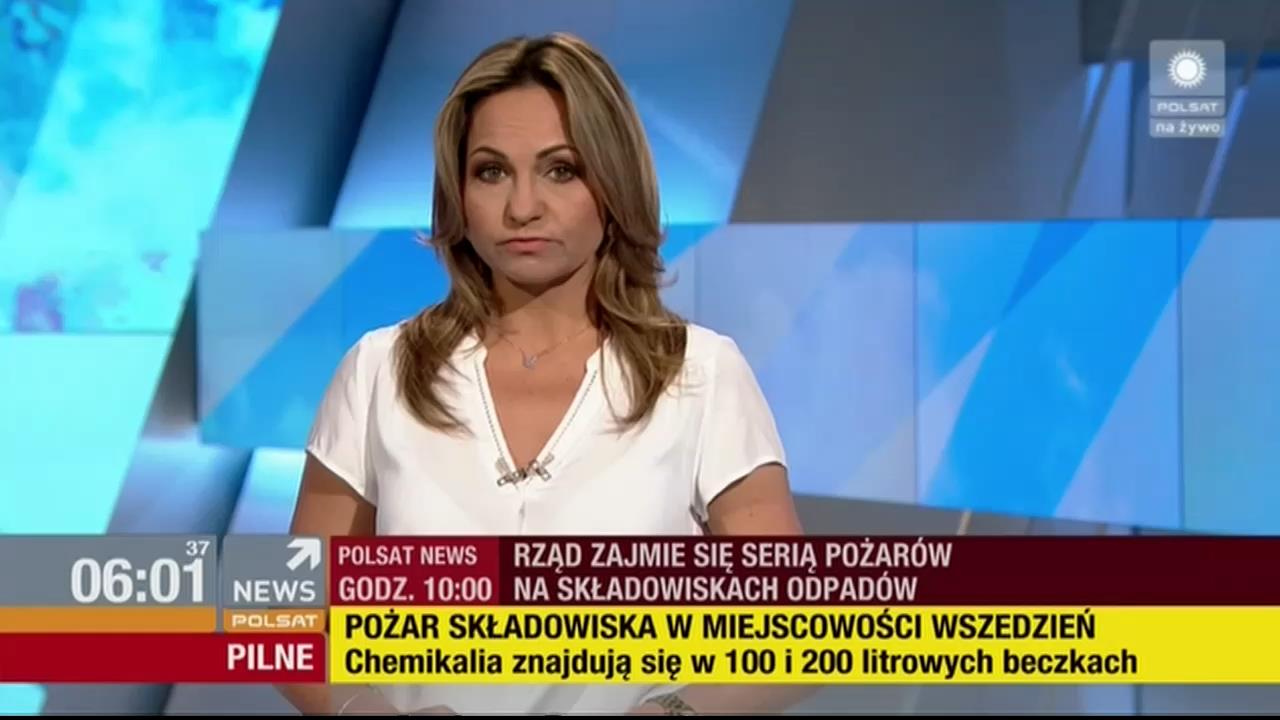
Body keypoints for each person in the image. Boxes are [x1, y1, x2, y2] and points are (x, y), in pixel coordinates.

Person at [278, 32, 807, 715]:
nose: (522, 207)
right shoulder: (378, 372)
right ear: (457, 194)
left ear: (613, 183)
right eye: (491, 172)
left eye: (561, 170)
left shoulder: (700, 375)